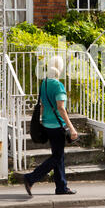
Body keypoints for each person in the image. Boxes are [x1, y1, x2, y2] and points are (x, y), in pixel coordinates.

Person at [23, 55, 79, 196]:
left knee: (58, 156)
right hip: (57, 126)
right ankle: (31, 178)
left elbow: (42, 105)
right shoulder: (58, 86)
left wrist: (42, 120)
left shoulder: (44, 83)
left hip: (47, 124)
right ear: (59, 70)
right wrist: (71, 128)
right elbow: (61, 108)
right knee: (56, 157)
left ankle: (61, 187)